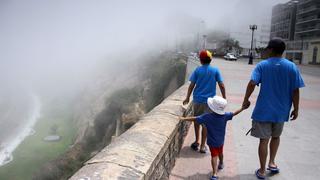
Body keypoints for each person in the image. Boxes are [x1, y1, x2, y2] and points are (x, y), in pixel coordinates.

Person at [242, 38, 305, 179]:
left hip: (263, 111)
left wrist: (245, 100)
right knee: (276, 137)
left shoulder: (262, 65)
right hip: (282, 111)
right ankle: (272, 162)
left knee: (264, 140)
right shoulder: (292, 67)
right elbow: (296, 90)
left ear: (270, 49)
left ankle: (262, 171)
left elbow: (252, 83)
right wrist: (296, 109)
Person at [180, 96, 249, 180]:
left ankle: (215, 174)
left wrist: (184, 119)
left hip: (212, 142)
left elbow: (195, 118)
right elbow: (234, 113)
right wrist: (242, 108)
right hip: (221, 141)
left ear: (212, 108)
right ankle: (221, 163)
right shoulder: (225, 116)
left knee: (214, 156)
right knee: (220, 153)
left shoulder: (207, 117)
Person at [183, 50, 226, 154]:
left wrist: (187, 97)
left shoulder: (197, 70)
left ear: (201, 60)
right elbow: (221, 85)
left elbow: (191, 85)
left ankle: (196, 141)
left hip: (197, 100)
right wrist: (224, 97)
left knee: (197, 121)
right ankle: (202, 146)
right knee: (206, 124)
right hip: (210, 103)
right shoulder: (215, 70)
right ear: (210, 60)